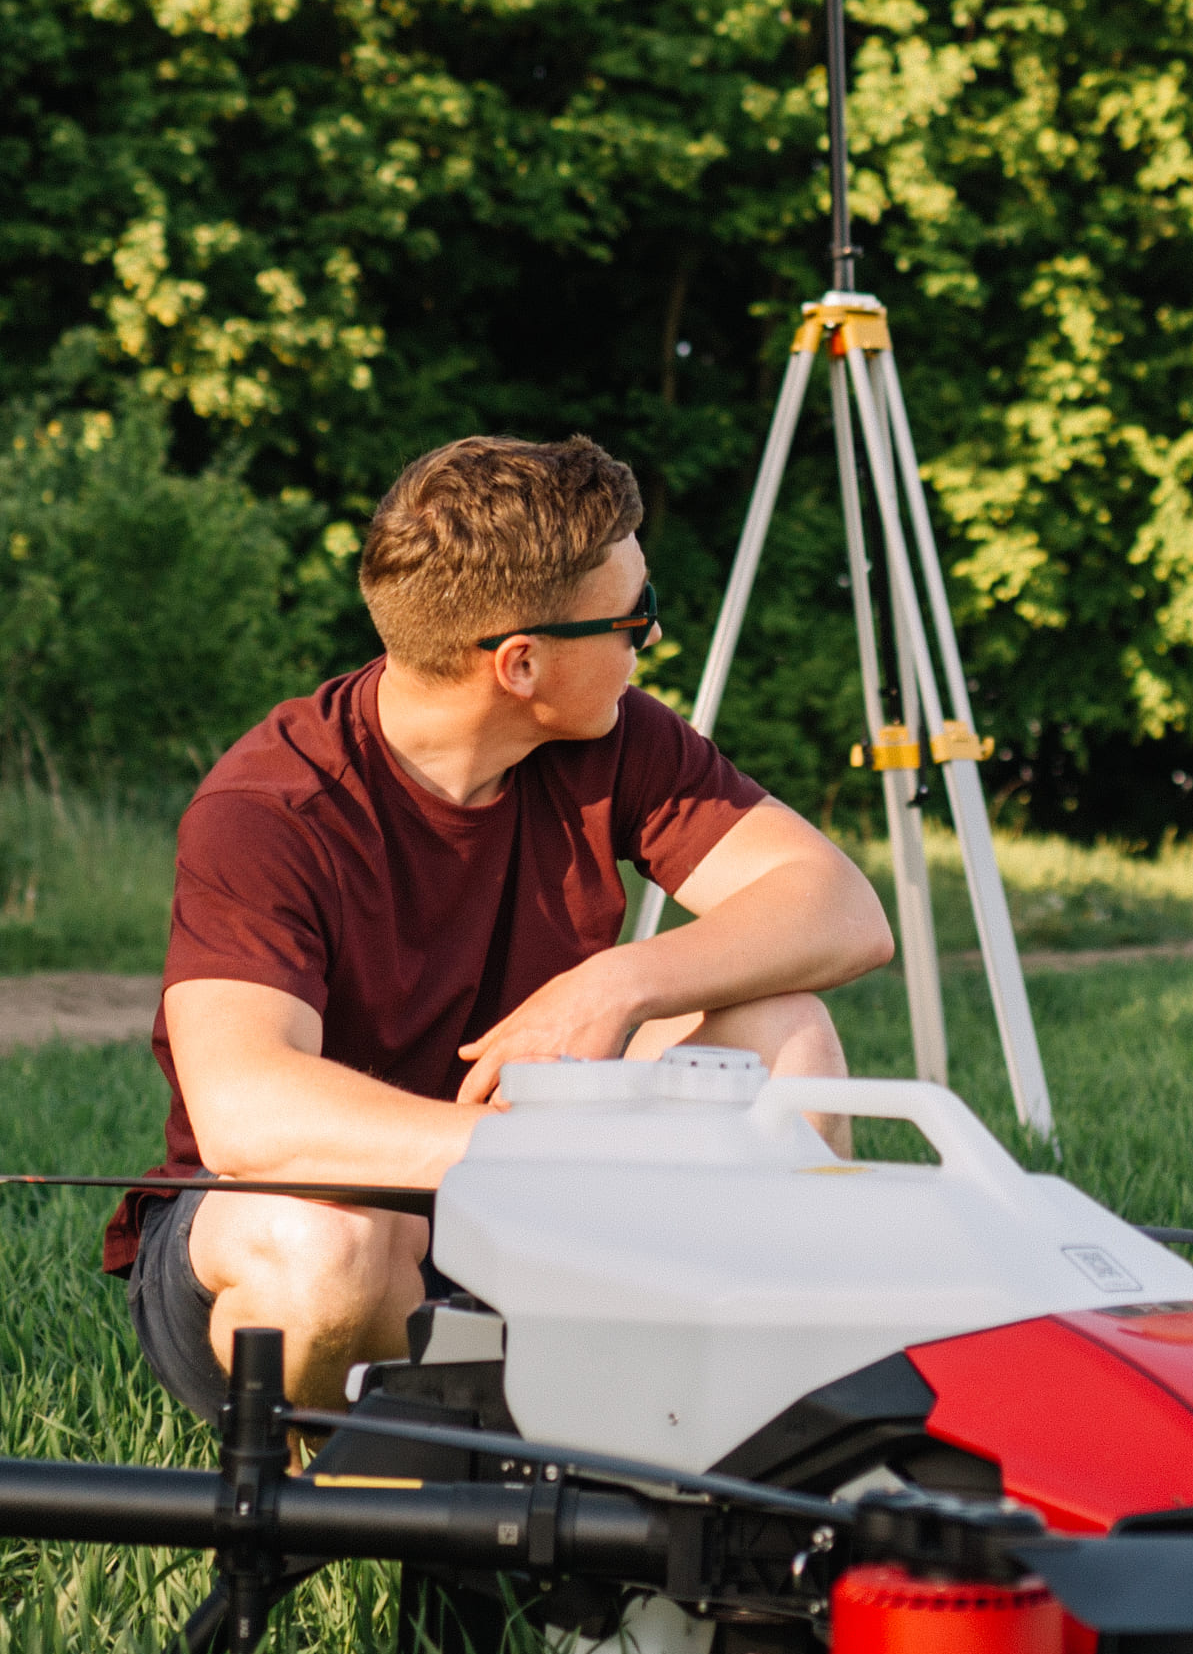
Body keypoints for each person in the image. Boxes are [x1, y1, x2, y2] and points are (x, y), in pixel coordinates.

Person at [105, 430, 895, 1422]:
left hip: (515, 1225)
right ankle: (348, 1484)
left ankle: (748, 1418)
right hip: (282, 1250)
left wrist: (614, 984)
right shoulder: (270, 809)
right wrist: (545, 1154)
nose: (648, 638)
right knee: (339, 1241)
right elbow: (251, 1118)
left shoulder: (613, 736)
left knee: (783, 1029)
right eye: (633, 615)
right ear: (520, 664)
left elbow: (840, 908)